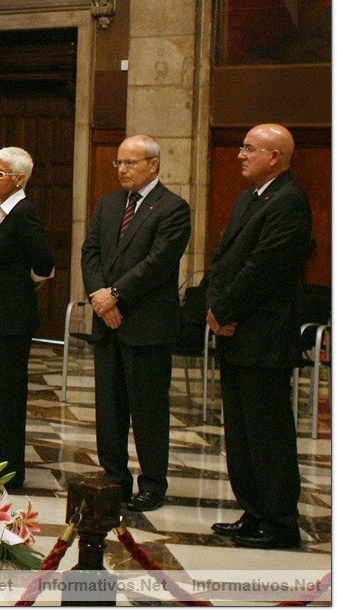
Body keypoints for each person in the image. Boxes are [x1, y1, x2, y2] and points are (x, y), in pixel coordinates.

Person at [207, 123, 311, 549]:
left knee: (268, 434)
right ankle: (253, 510)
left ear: (276, 156)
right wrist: (214, 310)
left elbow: (265, 268)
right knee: (242, 433)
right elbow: (224, 258)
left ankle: (281, 522)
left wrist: (226, 311)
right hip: (235, 334)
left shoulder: (289, 201)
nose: (240, 155)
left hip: (264, 335)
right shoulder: (251, 197)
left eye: (249, 149)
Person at [81, 135, 191, 513]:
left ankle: (152, 483)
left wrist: (116, 294)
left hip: (146, 324)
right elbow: (90, 250)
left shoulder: (172, 208)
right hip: (107, 320)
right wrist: (100, 295)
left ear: (153, 165)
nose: (122, 170)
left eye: (130, 163)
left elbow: (158, 263)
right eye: (118, 163)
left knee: (147, 409)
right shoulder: (110, 203)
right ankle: (114, 476)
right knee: (109, 408)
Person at [0, 146, 55, 489]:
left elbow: (45, 263)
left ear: (19, 180)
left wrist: (25, 284)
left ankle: (9, 469)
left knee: (8, 393)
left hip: (13, 318)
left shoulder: (23, 213)